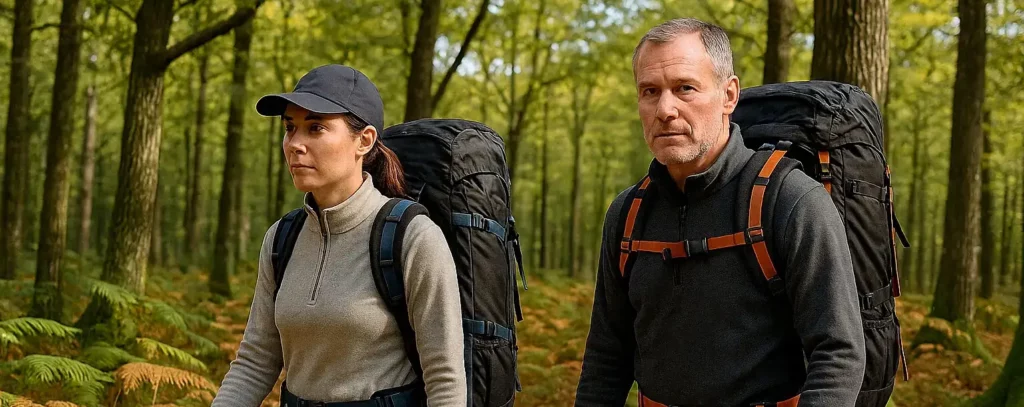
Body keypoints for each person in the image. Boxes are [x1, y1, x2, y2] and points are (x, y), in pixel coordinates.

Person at [574, 18, 866, 406]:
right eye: (649, 91)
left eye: (685, 88)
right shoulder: (628, 214)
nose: (665, 109)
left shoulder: (792, 201)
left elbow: (838, 354)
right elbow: (605, 359)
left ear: (729, 95)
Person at [211, 64, 466, 407]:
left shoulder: (413, 238)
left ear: (364, 140)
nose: (295, 144)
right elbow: (256, 361)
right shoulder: (282, 238)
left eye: (315, 128)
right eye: (290, 127)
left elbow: (445, 380)